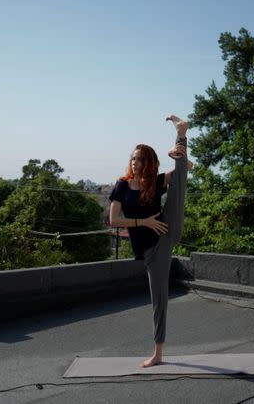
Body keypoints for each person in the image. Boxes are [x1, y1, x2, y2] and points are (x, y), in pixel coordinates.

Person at [108, 115, 189, 367]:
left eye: (140, 159)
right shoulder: (121, 185)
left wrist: (179, 154)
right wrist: (144, 222)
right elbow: (114, 220)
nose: (136, 162)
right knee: (159, 297)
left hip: (165, 233)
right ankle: (159, 352)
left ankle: (181, 135)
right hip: (149, 248)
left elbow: (187, 170)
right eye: (133, 158)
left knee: (179, 180)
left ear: (149, 161)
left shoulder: (156, 181)